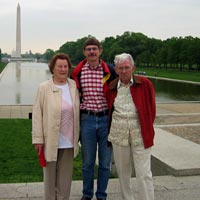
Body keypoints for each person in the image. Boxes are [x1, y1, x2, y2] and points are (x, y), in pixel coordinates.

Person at [70, 37, 116, 200]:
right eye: (88, 49)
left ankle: (101, 195)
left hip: (105, 120)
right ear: (84, 52)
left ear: (100, 51)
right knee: (88, 163)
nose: (91, 52)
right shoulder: (78, 72)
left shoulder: (110, 71)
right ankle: (87, 194)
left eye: (94, 49)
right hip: (87, 119)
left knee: (104, 163)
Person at [107, 53, 156, 200]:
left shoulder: (145, 84)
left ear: (133, 68)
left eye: (127, 67)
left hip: (140, 135)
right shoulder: (111, 87)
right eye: (120, 68)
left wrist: (146, 126)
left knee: (144, 173)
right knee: (123, 173)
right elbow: (109, 110)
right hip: (119, 135)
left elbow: (151, 109)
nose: (123, 71)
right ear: (115, 69)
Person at [32, 53, 80, 200]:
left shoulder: (73, 85)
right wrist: (38, 139)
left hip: (69, 140)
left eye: (66, 66)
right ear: (52, 68)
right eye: (59, 66)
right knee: (50, 178)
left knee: (65, 179)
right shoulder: (44, 88)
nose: (63, 69)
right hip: (50, 139)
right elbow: (37, 114)